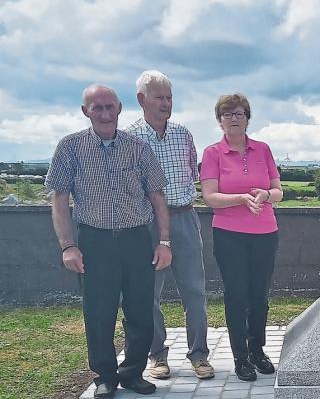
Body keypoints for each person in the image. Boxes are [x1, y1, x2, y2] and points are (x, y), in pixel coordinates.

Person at [46, 84, 172, 398]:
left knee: (140, 310)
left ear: (119, 109)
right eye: (97, 107)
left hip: (136, 241)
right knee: (98, 312)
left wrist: (164, 241)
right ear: (85, 111)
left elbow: (157, 196)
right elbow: (59, 198)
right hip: (94, 242)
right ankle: (105, 376)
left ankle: (132, 373)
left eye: (109, 107)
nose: (104, 113)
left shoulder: (138, 148)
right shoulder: (70, 147)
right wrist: (68, 245)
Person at [125, 71, 214, 380]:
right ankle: (157, 355)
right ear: (141, 100)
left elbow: (192, 172)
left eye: (169, 97)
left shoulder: (183, 134)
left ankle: (199, 354)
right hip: (148, 225)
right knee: (149, 293)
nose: (166, 103)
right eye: (159, 97)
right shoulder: (129, 138)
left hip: (185, 218)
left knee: (195, 290)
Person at [199, 93, 283, 382]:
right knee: (236, 296)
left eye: (239, 113)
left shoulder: (263, 150)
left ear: (248, 118)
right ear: (219, 120)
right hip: (229, 235)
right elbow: (210, 197)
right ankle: (241, 358)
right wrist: (241, 198)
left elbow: (278, 191)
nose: (234, 119)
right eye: (228, 114)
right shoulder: (212, 153)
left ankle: (257, 350)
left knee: (259, 296)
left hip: (265, 233)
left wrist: (265, 195)